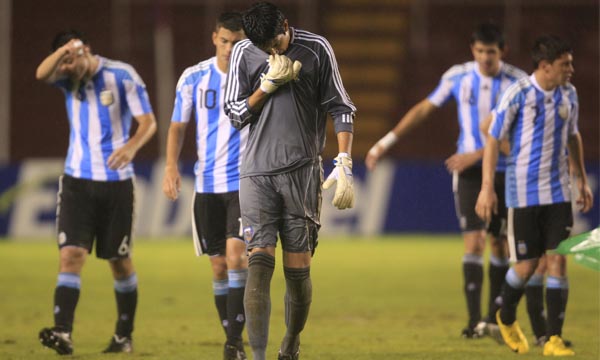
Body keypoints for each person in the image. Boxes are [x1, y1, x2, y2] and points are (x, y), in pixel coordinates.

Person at [365, 23, 526, 338]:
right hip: (466, 172)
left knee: (499, 244)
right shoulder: (458, 77)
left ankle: (495, 318)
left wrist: (476, 154)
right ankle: (474, 322)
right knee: (474, 242)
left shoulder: (517, 84)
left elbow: (518, 140)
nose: (484, 58)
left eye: (490, 52)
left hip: (506, 170)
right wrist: (385, 142)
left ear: (502, 51)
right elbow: (425, 108)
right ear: (472, 50)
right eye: (479, 51)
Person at [224, 2, 356, 359]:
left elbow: (340, 107)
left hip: (302, 173)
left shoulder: (316, 48)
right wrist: (266, 86)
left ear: (286, 25)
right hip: (256, 174)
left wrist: (344, 158)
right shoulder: (243, 52)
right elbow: (234, 113)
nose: (272, 51)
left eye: (276, 43)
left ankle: (292, 341)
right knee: (259, 262)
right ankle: (260, 357)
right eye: (264, 47)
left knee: (298, 273)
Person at [35, 30, 157, 354]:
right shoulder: (66, 79)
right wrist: (64, 53)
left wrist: (132, 146)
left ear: (86, 49)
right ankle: (62, 332)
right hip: (77, 182)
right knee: (70, 255)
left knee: (119, 261)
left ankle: (123, 335)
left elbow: (148, 122)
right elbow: (40, 73)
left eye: (72, 59)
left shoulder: (121, 75)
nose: (68, 67)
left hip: (117, 185)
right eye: (63, 62)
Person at [475, 34, 593, 356]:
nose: (571, 69)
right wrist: (487, 189)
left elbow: (573, 136)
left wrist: (581, 179)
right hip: (523, 195)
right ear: (545, 67)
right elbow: (491, 137)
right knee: (526, 267)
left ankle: (553, 338)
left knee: (558, 260)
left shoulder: (569, 94)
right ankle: (506, 315)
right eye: (564, 64)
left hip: (558, 193)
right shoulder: (518, 94)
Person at [162, 12, 249, 360]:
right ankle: (233, 337)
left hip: (243, 184)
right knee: (217, 267)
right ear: (215, 38)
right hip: (206, 185)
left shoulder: (256, 76)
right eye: (224, 41)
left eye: (237, 42)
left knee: (236, 256)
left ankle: (234, 344)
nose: (229, 48)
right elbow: (177, 127)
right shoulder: (193, 77)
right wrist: (170, 166)